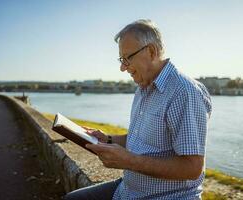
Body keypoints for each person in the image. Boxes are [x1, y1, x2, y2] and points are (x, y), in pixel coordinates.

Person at [64, 19, 212, 200]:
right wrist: (108, 139)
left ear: (151, 51)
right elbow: (141, 140)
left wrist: (129, 161)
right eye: (121, 59)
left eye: (127, 58)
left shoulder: (184, 92)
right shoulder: (143, 86)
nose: (122, 67)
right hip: (127, 190)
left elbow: (192, 168)